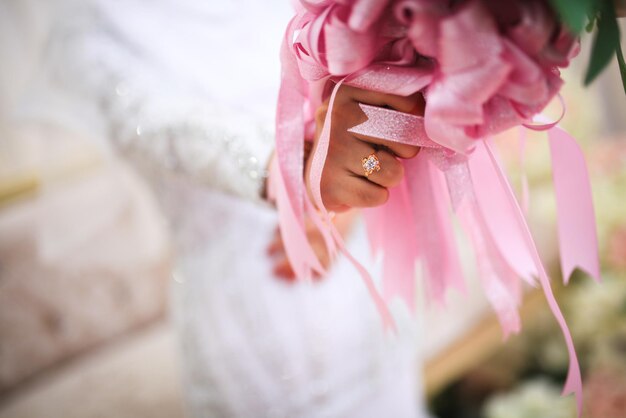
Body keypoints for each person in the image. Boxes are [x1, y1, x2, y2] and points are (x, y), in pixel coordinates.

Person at [21, 0, 431, 416]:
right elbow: (154, 124)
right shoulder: (92, 24)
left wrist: (345, 200)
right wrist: (293, 166)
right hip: (250, 335)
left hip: (361, 290)